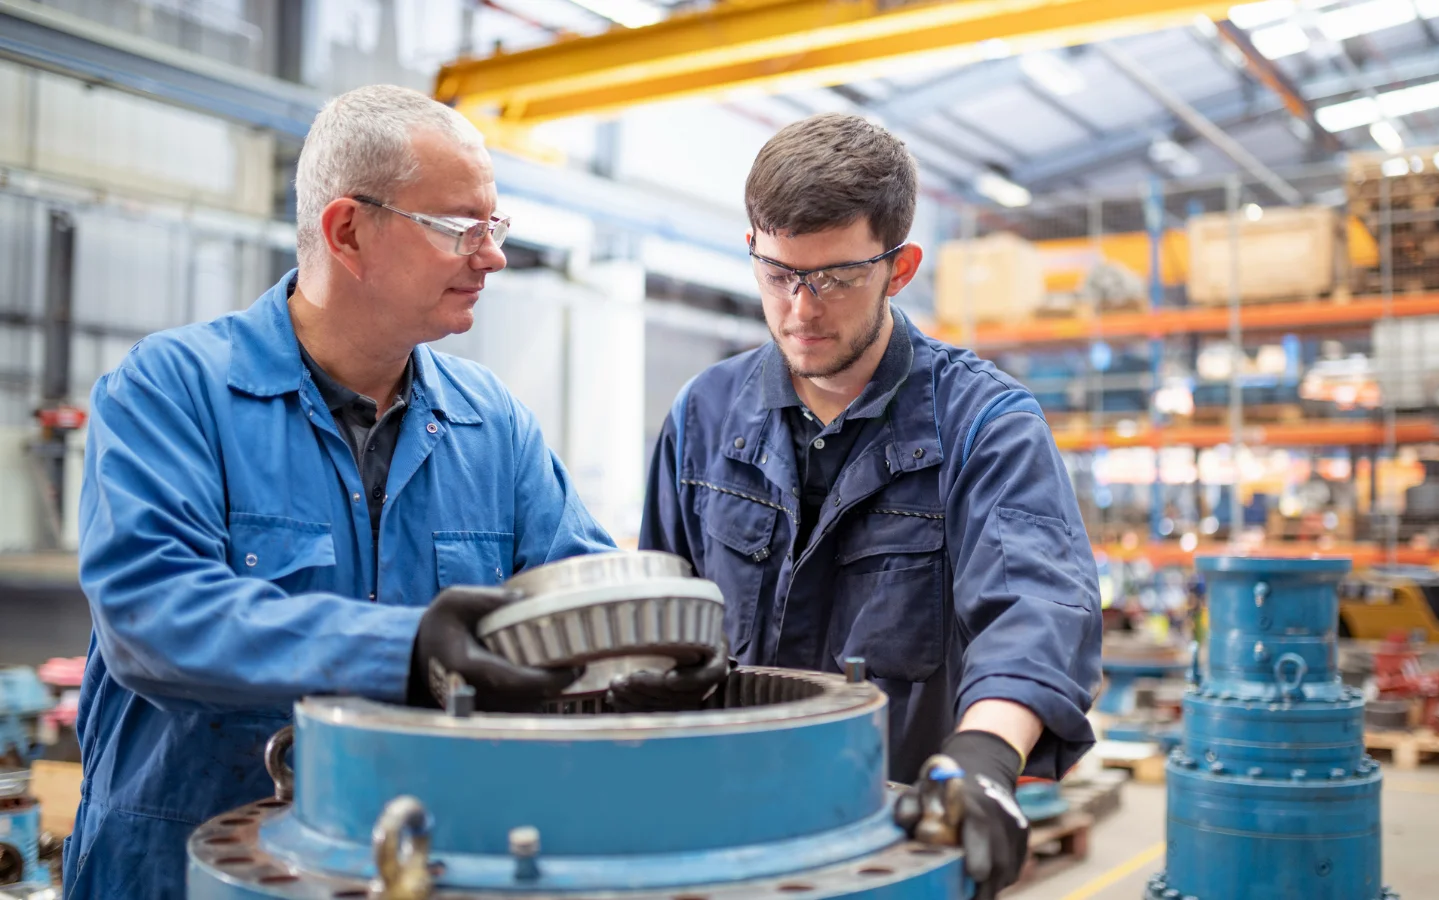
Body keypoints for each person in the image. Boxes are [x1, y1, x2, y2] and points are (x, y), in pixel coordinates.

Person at [65, 85, 617, 899]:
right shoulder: (173, 391)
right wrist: (414, 650)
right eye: (460, 228)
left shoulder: (492, 426)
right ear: (349, 231)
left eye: (494, 227)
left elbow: (584, 601)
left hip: (406, 867)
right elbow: (151, 617)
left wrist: (646, 643)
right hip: (184, 874)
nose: (491, 256)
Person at [636, 113, 1102, 899]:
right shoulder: (703, 416)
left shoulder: (984, 425)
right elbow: (657, 613)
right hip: (719, 839)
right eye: (779, 275)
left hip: (894, 848)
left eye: (835, 279)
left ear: (900, 267)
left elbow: (1038, 608)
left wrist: (984, 761)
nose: (801, 310)